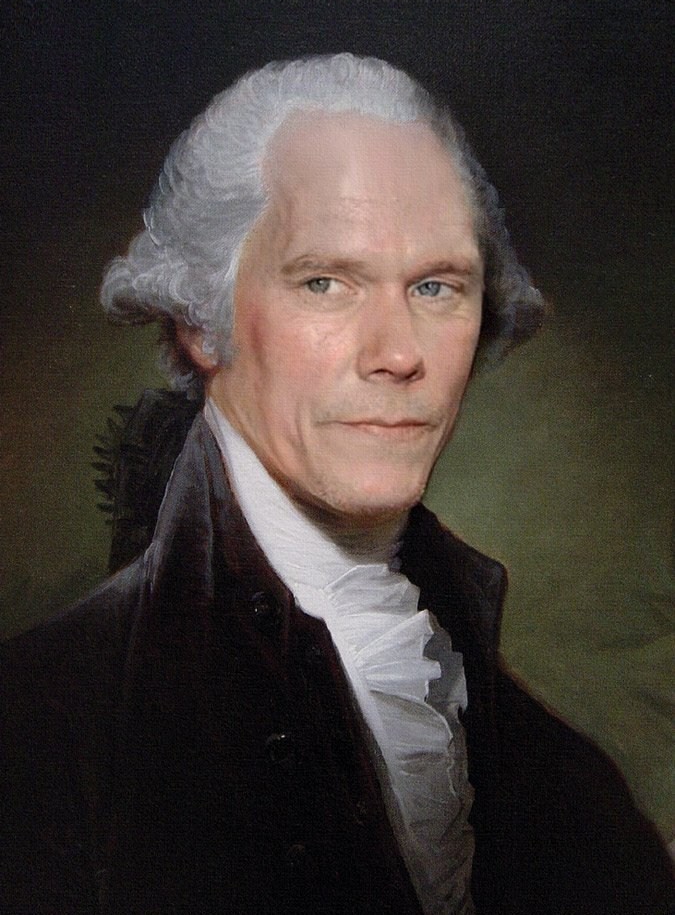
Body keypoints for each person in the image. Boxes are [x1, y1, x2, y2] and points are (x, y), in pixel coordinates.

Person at [1, 54, 672, 915]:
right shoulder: (40, 728)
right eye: (325, 282)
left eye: (435, 286)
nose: (397, 352)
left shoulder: (565, 782)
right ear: (201, 319)